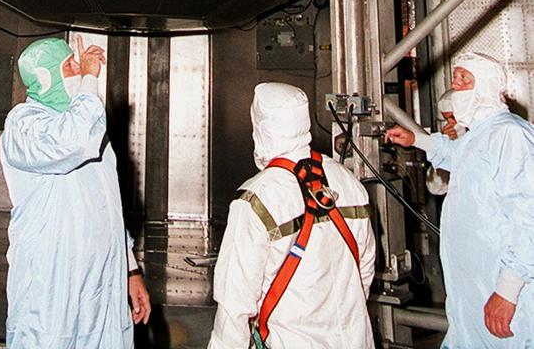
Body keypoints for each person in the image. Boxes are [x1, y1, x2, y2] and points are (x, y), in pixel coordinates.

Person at [0, 35, 151, 349]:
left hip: (100, 283)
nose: (80, 72)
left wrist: (130, 270)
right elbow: (71, 142)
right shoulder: (24, 125)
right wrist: (90, 79)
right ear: (45, 77)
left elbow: (107, 207)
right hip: (53, 285)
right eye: (71, 66)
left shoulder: (92, 128)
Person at [208, 82, 375, 349]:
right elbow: (364, 270)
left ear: (260, 127)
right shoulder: (348, 181)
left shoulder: (256, 198)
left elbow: (234, 304)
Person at [387, 51, 534, 345]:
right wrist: (416, 139)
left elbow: (528, 218)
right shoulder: (480, 135)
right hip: (474, 290)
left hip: (505, 293)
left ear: (488, 87)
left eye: (465, 80)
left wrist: (507, 289)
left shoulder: (510, 135)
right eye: (455, 79)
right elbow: (457, 154)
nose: (457, 87)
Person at [425, 89, 467, 197]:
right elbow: (436, 187)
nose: (450, 123)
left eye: (453, 118)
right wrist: (446, 143)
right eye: (447, 119)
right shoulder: (451, 136)